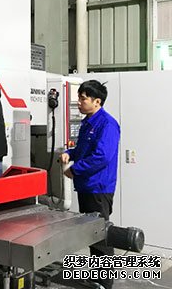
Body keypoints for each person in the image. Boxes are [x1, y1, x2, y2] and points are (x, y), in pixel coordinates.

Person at [60, 80, 120, 289]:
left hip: (98, 188)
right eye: (79, 97)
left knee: (100, 235)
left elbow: (102, 156)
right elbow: (82, 150)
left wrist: (75, 170)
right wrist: (69, 153)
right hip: (87, 186)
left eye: (83, 98)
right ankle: (96, 278)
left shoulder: (107, 124)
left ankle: (104, 282)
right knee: (91, 233)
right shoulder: (88, 122)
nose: (79, 102)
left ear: (97, 101)